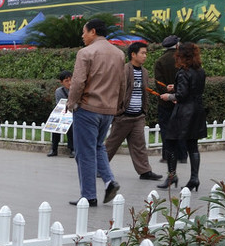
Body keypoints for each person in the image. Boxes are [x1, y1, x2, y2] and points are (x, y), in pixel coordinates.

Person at [68, 19, 124, 207]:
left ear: (92, 32)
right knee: (98, 146)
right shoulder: (119, 53)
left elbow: (77, 82)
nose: (82, 36)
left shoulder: (86, 53)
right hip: (108, 109)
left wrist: (71, 103)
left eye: (84, 32)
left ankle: (89, 196)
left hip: (88, 108)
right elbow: (122, 83)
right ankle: (109, 181)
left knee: (85, 153)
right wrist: (117, 106)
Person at [105, 42, 162, 181]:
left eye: (146, 53)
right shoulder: (123, 70)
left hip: (138, 116)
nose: (145, 56)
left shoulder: (144, 72)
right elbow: (114, 91)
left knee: (139, 145)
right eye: (142, 53)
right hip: (123, 116)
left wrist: (143, 111)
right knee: (111, 145)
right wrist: (117, 111)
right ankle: (99, 168)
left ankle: (145, 171)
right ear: (133, 54)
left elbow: (143, 93)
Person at [159, 41, 208, 192]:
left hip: (183, 113)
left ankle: (172, 175)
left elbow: (181, 95)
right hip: (197, 110)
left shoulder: (183, 72)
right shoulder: (200, 71)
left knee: (170, 142)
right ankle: (194, 178)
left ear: (181, 56)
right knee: (192, 145)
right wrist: (176, 87)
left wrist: (169, 96)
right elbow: (192, 89)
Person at [154, 35, 180, 166]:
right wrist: (177, 94)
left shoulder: (160, 61)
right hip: (181, 100)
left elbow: (158, 83)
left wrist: (167, 93)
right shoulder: (182, 60)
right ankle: (182, 155)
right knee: (181, 128)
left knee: (166, 129)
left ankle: (166, 155)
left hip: (165, 101)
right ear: (177, 45)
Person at [48, 70, 74, 157]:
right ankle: (54, 149)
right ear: (61, 82)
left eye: (71, 80)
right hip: (64, 113)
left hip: (75, 113)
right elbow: (60, 105)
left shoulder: (77, 90)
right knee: (55, 126)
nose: (69, 83)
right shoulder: (59, 91)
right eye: (66, 81)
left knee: (70, 125)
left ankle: (72, 149)